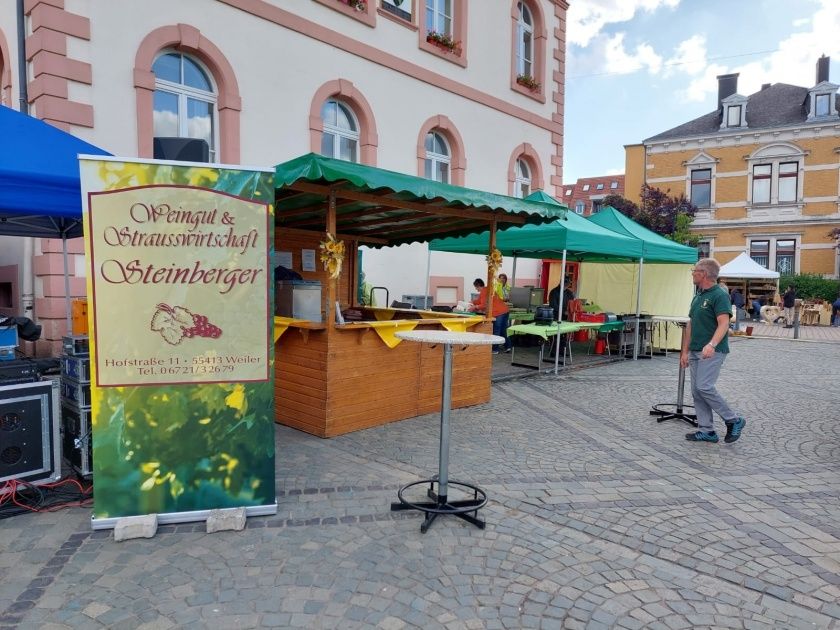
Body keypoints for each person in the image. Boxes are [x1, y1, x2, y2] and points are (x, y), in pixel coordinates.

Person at [680, 258, 746, 444]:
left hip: (712, 351)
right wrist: (684, 351)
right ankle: (706, 430)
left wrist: (712, 345)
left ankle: (733, 420)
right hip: (695, 350)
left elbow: (724, 323)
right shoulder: (698, 295)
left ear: (704, 274)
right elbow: (691, 324)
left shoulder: (719, 295)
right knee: (696, 391)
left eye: (694, 270)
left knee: (704, 386)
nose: (692, 273)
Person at [472, 278, 510, 353]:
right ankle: (508, 346)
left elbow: (483, 305)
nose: (476, 289)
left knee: (496, 330)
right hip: (505, 310)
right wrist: (472, 302)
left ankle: (495, 349)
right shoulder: (487, 290)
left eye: (476, 287)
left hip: (498, 312)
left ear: (478, 285)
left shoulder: (484, 291)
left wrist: (475, 307)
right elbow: (479, 301)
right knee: (503, 330)